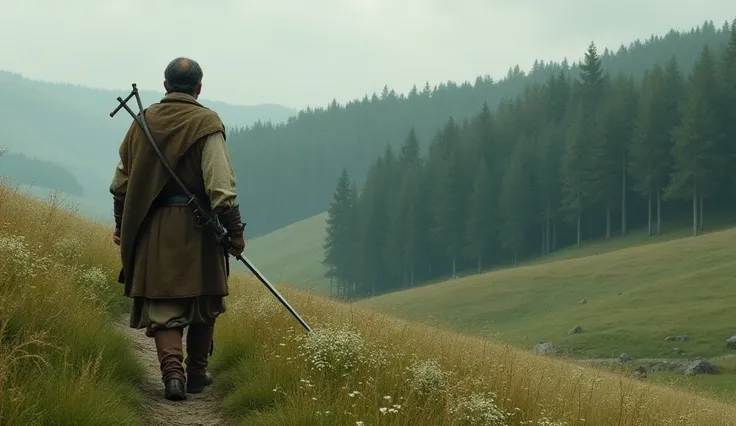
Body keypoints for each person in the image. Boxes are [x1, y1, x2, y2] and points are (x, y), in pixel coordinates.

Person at [109, 57, 245, 401]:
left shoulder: (143, 122)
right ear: (199, 88)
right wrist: (234, 232)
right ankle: (196, 374)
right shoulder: (207, 122)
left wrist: (121, 227)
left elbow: (121, 184)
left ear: (166, 85)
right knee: (204, 299)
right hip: (200, 227)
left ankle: (173, 376)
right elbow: (220, 186)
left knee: (165, 306)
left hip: (154, 227)